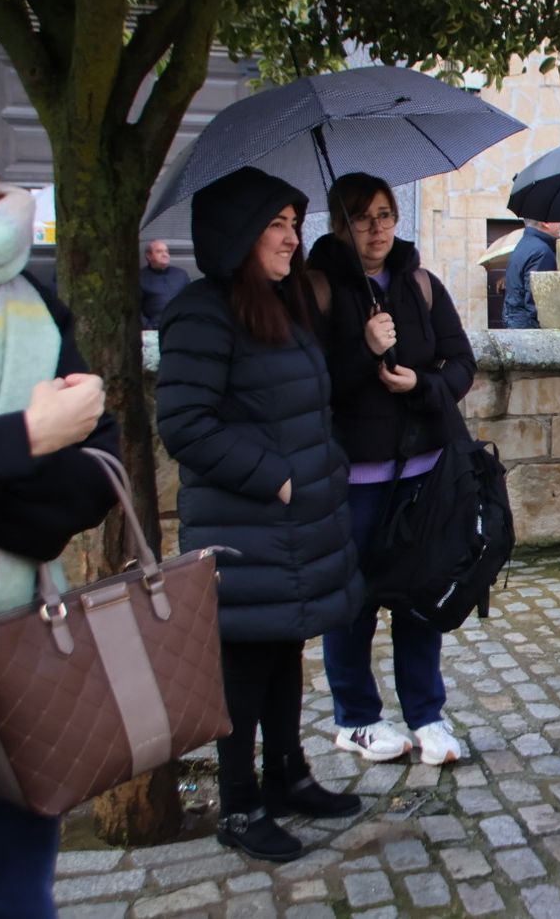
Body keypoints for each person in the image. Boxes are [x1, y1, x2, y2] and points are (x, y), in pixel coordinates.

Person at [0, 69, 117, 918]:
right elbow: (49, 445)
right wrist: (20, 439)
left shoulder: (30, 300)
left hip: (10, 673)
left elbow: (93, 467)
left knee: (11, 900)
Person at [156, 166, 364, 863]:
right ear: (237, 235)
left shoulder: (283, 302)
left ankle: (287, 775)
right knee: (243, 667)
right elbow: (185, 422)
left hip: (295, 526)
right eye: (275, 225)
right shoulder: (201, 312)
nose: (290, 236)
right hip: (244, 527)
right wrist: (272, 475)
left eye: (294, 223)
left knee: (283, 652)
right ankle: (241, 805)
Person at [308, 173, 477, 765]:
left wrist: (422, 384)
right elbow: (310, 384)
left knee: (418, 598)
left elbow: (462, 363)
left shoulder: (420, 284)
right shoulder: (319, 289)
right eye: (361, 217)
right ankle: (355, 717)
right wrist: (364, 348)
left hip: (422, 474)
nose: (376, 228)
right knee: (351, 605)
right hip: (353, 481)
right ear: (339, 224)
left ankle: (427, 714)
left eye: (384, 215)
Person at [503, 219, 560, 328]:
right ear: (546, 222)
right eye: (558, 219)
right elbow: (538, 302)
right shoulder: (542, 252)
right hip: (528, 327)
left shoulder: (524, 244)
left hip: (515, 320)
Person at [140, 239, 190, 329]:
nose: (165, 255)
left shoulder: (181, 274)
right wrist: (148, 327)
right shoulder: (141, 278)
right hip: (155, 329)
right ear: (149, 256)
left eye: (166, 251)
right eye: (159, 251)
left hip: (181, 326)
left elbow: (191, 300)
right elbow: (135, 309)